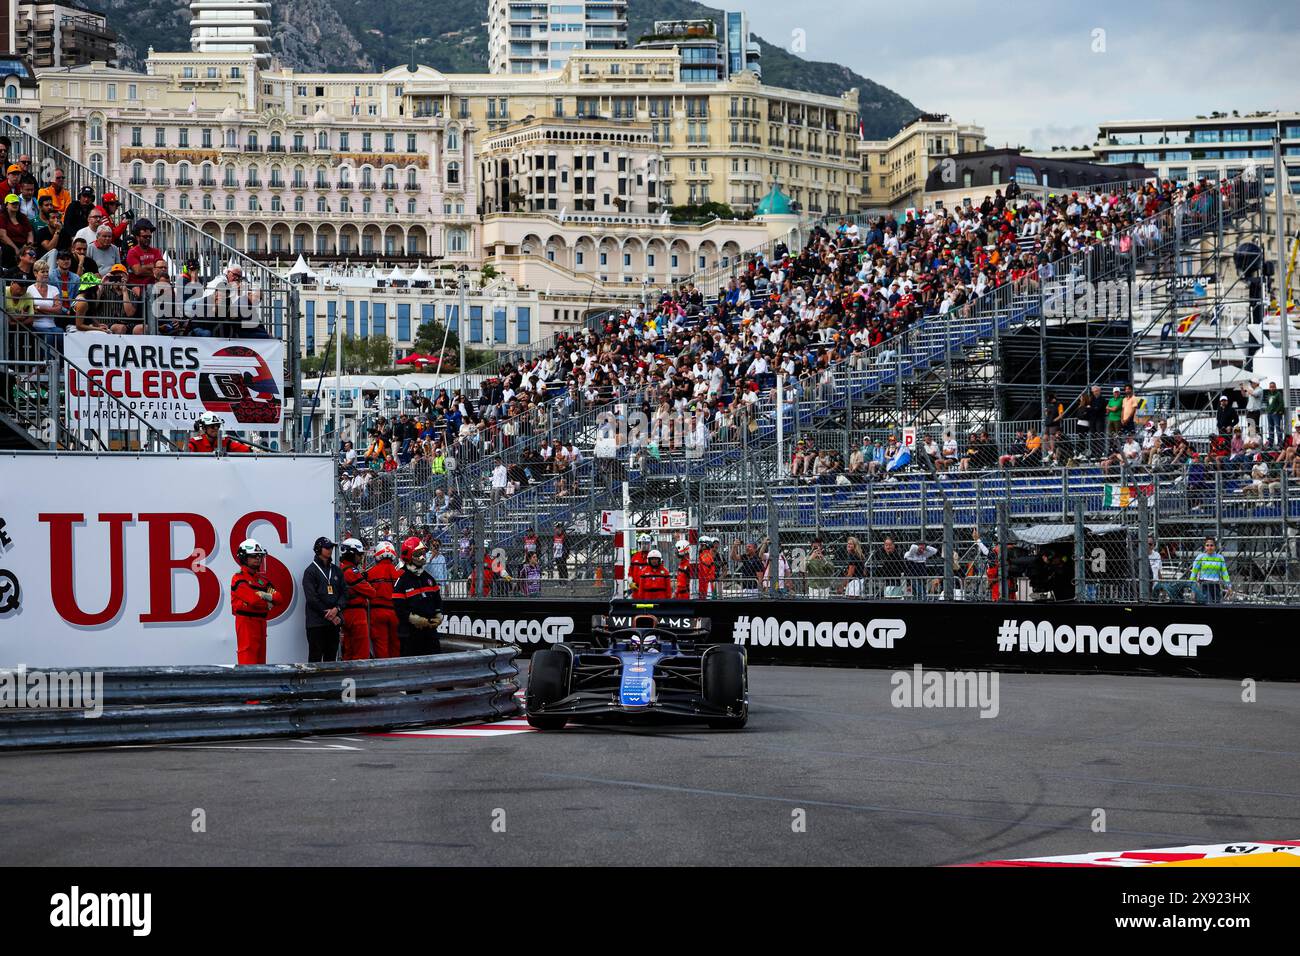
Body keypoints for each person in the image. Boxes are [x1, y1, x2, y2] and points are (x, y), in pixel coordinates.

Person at [230, 538, 284, 665]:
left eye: (260, 556)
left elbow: (279, 598)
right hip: (246, 624)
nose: (258, 559)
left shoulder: (263, 581)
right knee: (247, 659)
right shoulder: (238, 578)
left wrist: (267, 596)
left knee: (261, 661)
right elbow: (253, 600)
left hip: (261, 623)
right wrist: (268, 603)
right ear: (244, 557)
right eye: (254, 556)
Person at [393, 536, 443, 656]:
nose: (423, 556)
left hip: (430, 633)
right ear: (409, 556)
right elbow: (398, 608)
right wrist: (413, 619)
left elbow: (438, 601)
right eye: (418, 553)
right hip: (410, 634)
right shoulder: (402, 581)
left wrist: (439, 614)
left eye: (423, 553)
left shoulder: (429, 579)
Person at [302, 536, 346, 663]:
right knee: (315, 658)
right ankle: (313, 683)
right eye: (327, 547)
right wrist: (330, 614)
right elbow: (311, 598)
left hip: (333, 623)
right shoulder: (310, 571)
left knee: (331, 658)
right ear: (318, 549)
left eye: (331, 547)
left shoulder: (336, 570)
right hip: (316, 623)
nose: (330, 550)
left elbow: (344, 593)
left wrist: (337, 608)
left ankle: (329, 683)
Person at [338, 537, 376, 661]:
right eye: (359, 554)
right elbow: (371, 592)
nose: (360, 558)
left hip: (345, 614)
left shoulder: (340, 568)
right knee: (361, 652)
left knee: (348, 651)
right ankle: (361, 679)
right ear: (351, 554)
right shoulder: (351, 571)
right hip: (357, 615)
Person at [366, 540, 401, 658]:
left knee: (381, 646)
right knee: (396, 645)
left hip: (377, 613)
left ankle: (383, 673)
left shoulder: (370, 573)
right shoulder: (400, 573)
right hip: (396, 612)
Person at [1189, 536, 1231, 604]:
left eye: (1211, 545)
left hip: (1216, 585)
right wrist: (1192, 586)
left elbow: (1224, 573)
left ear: (1215, 546)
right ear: (1205, 547)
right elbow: (1194, 572)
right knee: (1208, 603)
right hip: (1204, 584)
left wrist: (1229, 586)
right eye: (1207, 545)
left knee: (1217, 604)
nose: (1209, 547)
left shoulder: (1220, 558)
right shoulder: (1201, 557)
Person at [186, 412, 254, 453]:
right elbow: (185, 458)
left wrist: (254, 450)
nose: (216, 428)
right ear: (204, 428)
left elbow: (245, 450)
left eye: (217, 425)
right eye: (212, 426)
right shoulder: (195, 443)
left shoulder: (225, 442)